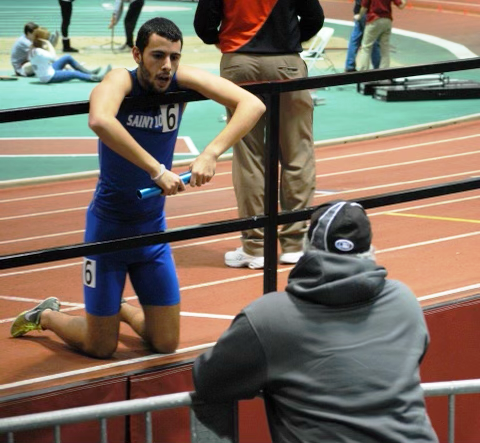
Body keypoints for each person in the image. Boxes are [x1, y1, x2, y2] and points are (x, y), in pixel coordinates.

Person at [10, 17, 265, 359]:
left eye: (174, 57)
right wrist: (157, 170)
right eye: (157, 56)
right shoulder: (120, 79)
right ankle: (46, 315)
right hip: (108, 232)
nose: (167, 66)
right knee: (100, 346)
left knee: (165, 343)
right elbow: (100, 119)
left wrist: (211, 153)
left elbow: (252, 104)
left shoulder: (179, 78)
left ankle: (121, 308)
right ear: (137, 53)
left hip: (152, 235)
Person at [193, 200, 439, 443]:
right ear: (369, 249)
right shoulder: (404, 301)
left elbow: (209, 379)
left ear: (308, 248)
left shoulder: (268, 318)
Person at [194, 0, 324, 270]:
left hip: (239, 63)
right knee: (297, 152)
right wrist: (286, 40)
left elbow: (203, 24)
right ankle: (295, 245)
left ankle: (255, 247)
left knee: (249, 157)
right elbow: (314, 17)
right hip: (286, 63)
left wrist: (223, 39)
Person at [28, 28, 111, 84]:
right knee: (74, 73)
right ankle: (95, 78)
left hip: (47, 71)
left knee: (67, 57)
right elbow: (53, 57)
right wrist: (48, 43)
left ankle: (89, 72)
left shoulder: (33, 49)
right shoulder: (39, 51)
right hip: (49, 76)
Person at [357, 0, 407, 70]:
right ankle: (384, 75)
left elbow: (364, 6)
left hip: (374, 20)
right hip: (387, 20)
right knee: (385, 49)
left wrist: (359, 16)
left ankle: (364, 74)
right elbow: (401, 5)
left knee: (366, 47)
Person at [345, 0, 381, 72]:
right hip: (369, 12)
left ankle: (349, 65)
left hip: (359, 11)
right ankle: (378, 69)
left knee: (355, 39)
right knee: (373, 41)